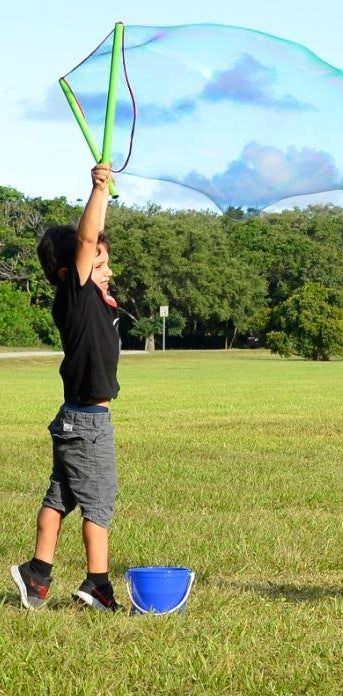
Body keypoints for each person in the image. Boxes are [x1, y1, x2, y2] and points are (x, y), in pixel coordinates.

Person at [10, 163, 122, 611]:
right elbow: (87, 238)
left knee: (60, 497)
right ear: (68, 268)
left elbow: (94, 239)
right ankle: (97, 585)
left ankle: (36, 574)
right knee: (99, 505)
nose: (107, 268)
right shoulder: (74, 296)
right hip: (89, 423)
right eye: (100, 260)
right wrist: (96, 191)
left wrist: (106, 201)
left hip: (76, 417)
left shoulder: (88, 296)